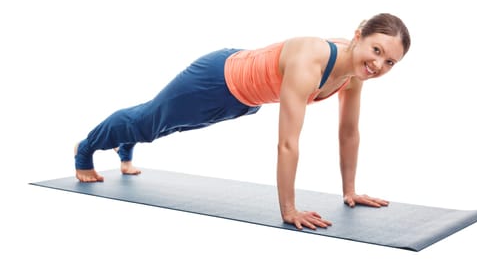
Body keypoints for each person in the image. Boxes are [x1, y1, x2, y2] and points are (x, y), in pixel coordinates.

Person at [74, 13, 411, 231]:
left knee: (159, 124)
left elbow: (349, 132)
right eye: (377, 50)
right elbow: (287, 143)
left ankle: (128, 141)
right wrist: (289, 210)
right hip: (214, 80)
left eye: (390, 62)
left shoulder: (354, 75)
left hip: (243, 99)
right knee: (150, 121)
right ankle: (85, 151)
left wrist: (349, 191)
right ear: (358, 36)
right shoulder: (312, 60)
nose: (379, 64)